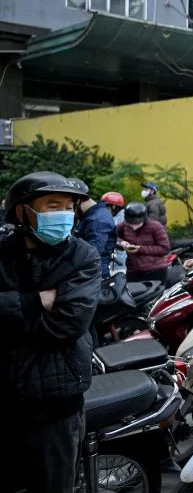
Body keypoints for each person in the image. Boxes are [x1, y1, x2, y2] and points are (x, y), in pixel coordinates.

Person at [0, 171, 100, 493]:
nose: (64, 215)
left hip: (56, 406)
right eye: (52, 205)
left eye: (69, 207)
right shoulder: (3, 252)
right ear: (23, 212)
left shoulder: (82, 256)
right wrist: (35, 301)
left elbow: (68, 324)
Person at [71, 179, 118, 278]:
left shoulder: (97, 220)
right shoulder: (91, 215)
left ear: (79, 200)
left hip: (92, 277)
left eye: (69, 206)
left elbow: (92, 253)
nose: (70, 211)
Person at [117, 202, 171, 282]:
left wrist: (140, 249)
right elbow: (113, 236)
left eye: (137, 224)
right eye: (130, 224)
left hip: (155, 270)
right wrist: (122, 243)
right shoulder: (123, 225)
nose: (133, 227)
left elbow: (165, 248)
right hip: (133, 270)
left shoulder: (155, 227)